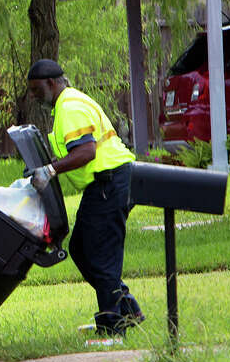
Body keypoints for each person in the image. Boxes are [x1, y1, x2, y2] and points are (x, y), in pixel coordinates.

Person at [26, 59, 144, 337]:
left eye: (35, 89)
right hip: (108, 183)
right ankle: (127, 310)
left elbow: (87, 152)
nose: (33, 96)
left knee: (100, 254)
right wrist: (51, 164)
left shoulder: (69, 107)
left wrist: (51, 170)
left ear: (51, 83)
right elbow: (78, 150)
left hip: (110, 182)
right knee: (80, 249)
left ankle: (113, 327)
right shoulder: (70, 102)